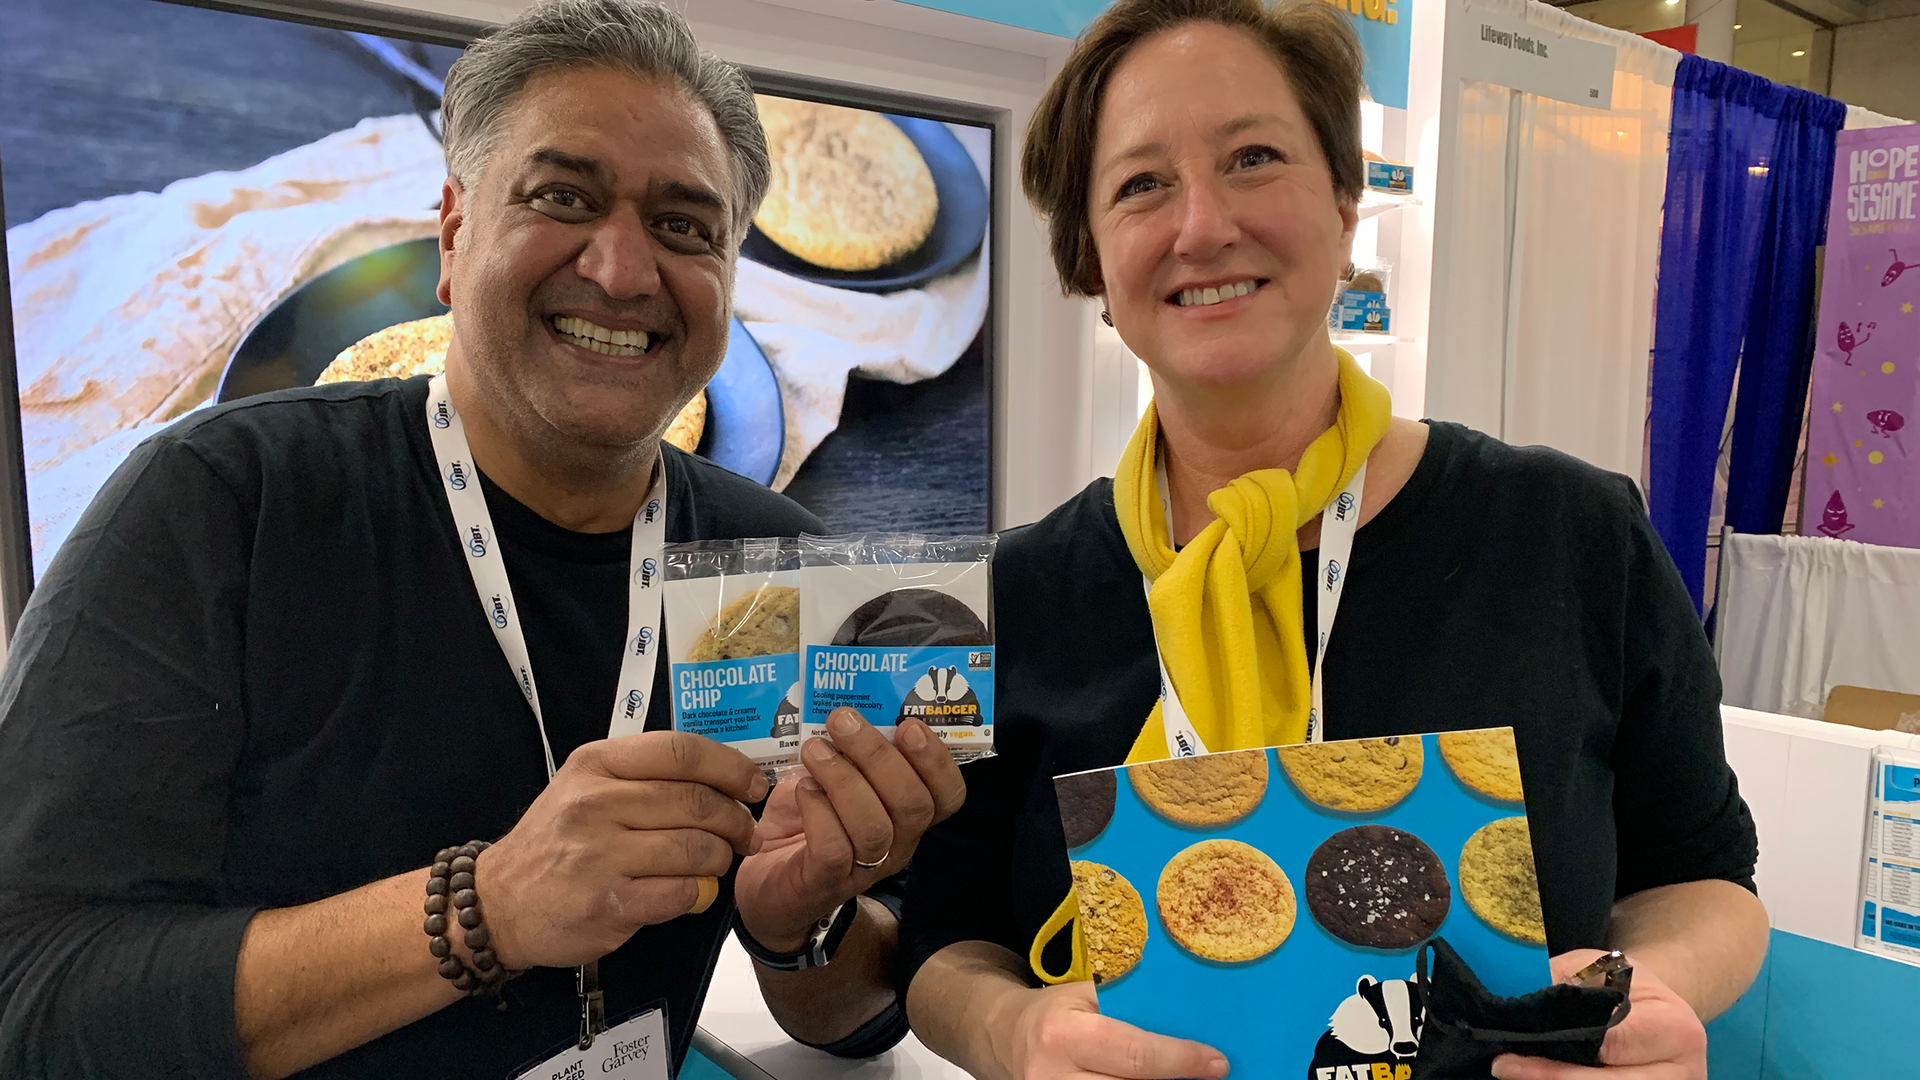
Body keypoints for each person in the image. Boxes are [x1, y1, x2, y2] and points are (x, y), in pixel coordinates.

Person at [0, 2, 964, 1077]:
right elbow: (36, 997)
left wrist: (798, 928)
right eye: (564, 197)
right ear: (453, 234)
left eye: (687, 225)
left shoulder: (766, 563)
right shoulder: (224, 502)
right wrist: (488, 911)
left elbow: (851, 1017)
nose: (623, 269)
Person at [900, 1, 1767, 1079]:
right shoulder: (1018, 592)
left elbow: (1707, 876)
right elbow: (944, 937)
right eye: (1140, 185)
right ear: (1093, 263)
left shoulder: (1568, 534)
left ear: (1348, 202)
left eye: (1254, 157)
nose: (1203, 224)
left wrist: (1650, 997)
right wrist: (1007, 1027)